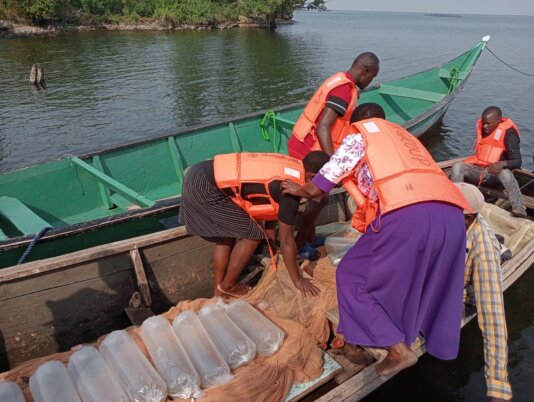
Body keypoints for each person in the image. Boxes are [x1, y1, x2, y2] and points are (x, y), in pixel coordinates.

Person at [281, 103, 470, 376]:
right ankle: (427, 336)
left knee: (351, 276)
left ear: (356, 124)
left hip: (407, 215)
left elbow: (317, 186)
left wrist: (297, 189)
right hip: (452, 214)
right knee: (427, 274)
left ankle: (398, 350)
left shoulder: (359, 137)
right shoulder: (405, 139)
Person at [179, 151, 330, 299]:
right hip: (204, 187)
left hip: (200, 172)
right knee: (252, 235)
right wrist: (298, 280)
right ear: (313, 177)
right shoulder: (290, 191)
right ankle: (228, 286)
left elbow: (271, 203)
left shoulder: (293, 167)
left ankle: (219, 291)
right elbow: (286, 242)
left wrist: (270, 244)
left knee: (228, 234)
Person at [288, 52, 380, 255]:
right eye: (372, 76)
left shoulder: (340, 80)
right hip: (309, 147)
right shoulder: (344, 91)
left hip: (302, 140)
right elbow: (323, 128)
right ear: (365, 71)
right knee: (318, 196)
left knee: (317, 197)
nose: (371, 80)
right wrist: (333, 164)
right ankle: (299, 245)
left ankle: (309, 237)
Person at [455, 182, 512, 402]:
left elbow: (493, 318)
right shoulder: (444, 224)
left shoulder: (483, 247)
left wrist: (498, 387)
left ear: (467, 218)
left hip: (462, 295)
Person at [451, 106, 526, 218]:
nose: (485, 126)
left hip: (495, 175)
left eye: (488, 123)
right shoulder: (483, 128)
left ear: (498, 121)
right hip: (480, 171)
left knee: (505, 172)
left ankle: (519, 207)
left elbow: (517, 161)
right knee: (458, 166)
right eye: (484, 123)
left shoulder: (509, 134)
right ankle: (455, 200)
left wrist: (501, 164)